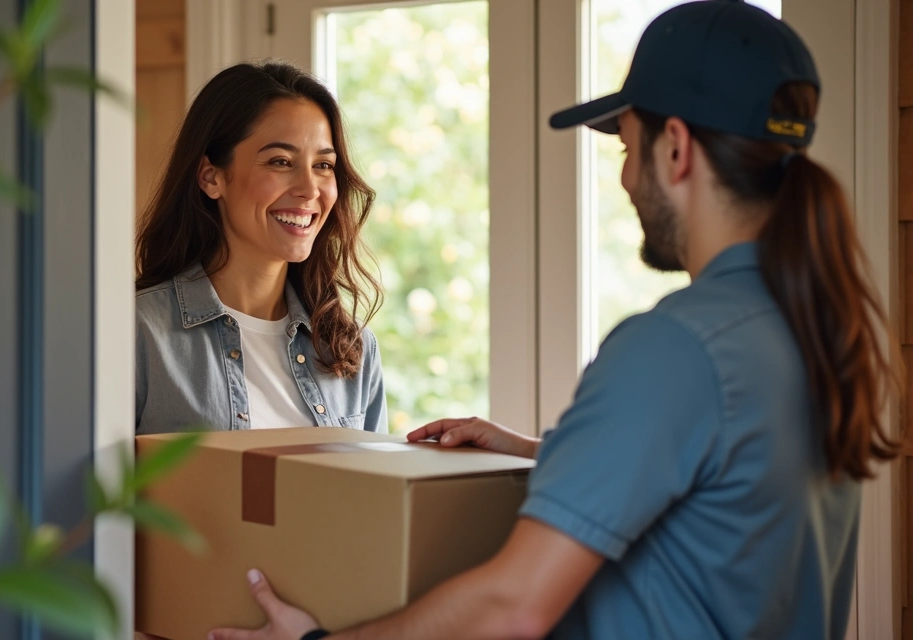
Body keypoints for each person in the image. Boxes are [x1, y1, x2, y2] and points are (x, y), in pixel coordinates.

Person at [208, 2, 902, 639]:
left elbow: (514, 604)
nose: (628, 180)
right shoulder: (814, 329)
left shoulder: (674, 349)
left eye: (628, 149)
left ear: (677, 149)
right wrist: (536, 450)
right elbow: (720, 487)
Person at [135, 61, 387, 435]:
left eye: (323, 165)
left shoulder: (352, 350)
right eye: (280, 161)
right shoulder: (136, 331)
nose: (310, 188)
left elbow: (373, 492)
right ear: (212, 177)